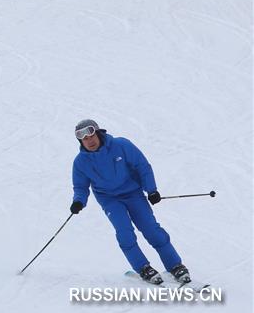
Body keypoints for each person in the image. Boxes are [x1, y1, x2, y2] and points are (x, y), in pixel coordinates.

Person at [70, 119, 191, 285]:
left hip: (132, 193)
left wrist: (151, 190)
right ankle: (143, 267)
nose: (89, 141)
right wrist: (78, 201)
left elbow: (142, 166)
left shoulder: (121, 145)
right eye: (84, 139)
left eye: (91, 136)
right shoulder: (80, 162)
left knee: (151, 229)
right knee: (124, 232)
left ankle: (175, 265)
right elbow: (80, 186)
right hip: (109, 199)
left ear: (98, 133)